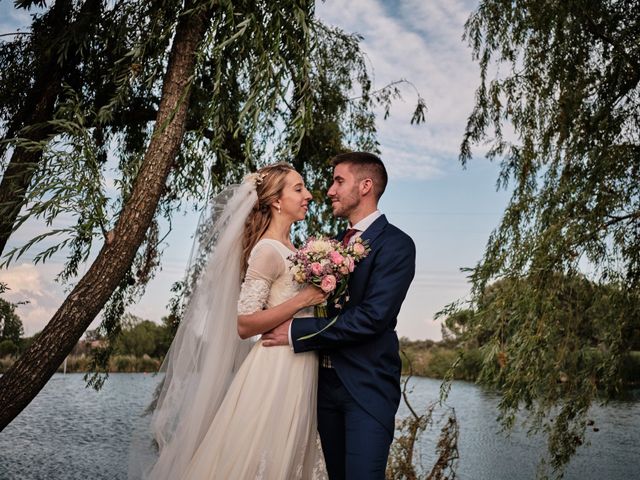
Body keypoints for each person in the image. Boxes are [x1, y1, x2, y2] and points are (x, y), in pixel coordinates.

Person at [135, 163, 328, 479]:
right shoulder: (267, 250)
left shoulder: (294, 250)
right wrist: (303, 299)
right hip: (275, 368)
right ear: (277, 201)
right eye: (299, 188)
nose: (308, 195)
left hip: (299, 364)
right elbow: (245, 323)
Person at [263, 152, 416, 479]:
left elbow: (372, 318)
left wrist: (296, 332)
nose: (329, 190)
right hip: (320, 388)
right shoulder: (329, 247)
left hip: (366, 389)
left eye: (338, 181)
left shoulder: (397, 245)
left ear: (365, 186)